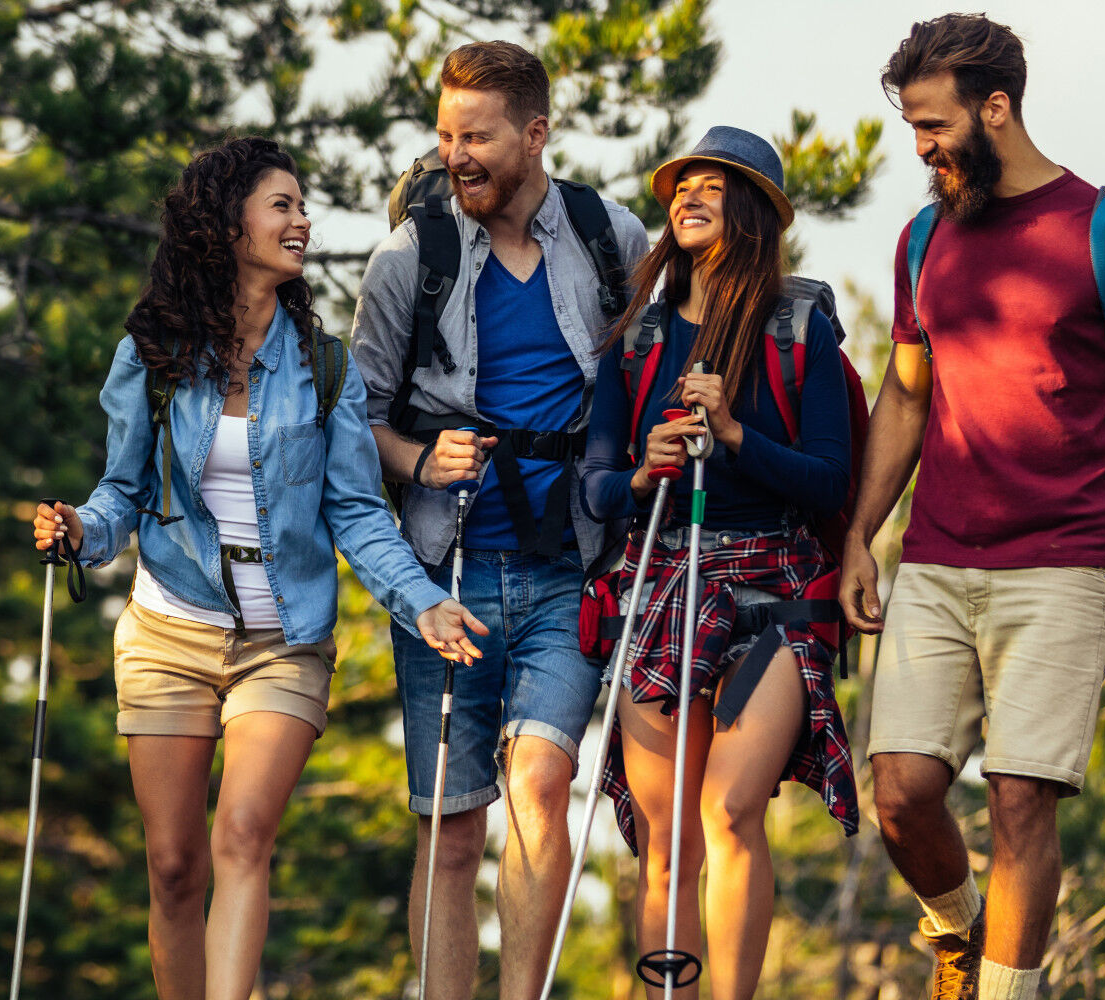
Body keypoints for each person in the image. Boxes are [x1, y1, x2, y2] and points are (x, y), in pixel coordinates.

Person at [30, 136, 485, 1000]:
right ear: (226, 223)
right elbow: (120, 495)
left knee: (243, 832)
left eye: (303, 206)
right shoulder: (152, 355)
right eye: (282, 205)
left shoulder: (324, 367)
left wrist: (420, 600)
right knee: (172, 867)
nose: (302, 221)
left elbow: (354, 509)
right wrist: (75, 532)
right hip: (169, 631)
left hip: (284, 643)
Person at [842, 15, 1105, 1000]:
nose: (919, 147)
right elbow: (904, 393)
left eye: (932, 125)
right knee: (899, 792)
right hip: (934, 558)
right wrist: (857, 534)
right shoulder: (923, 236)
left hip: (1061, 563)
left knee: (1020, 800)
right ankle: (958, 932)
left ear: (996, 108)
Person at [349, 40, 649, 1000]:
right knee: (449, 826)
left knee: (539, 791)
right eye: (444, 136)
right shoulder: (411, 257)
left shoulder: (612, 238)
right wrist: (415, 456)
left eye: (474, 136)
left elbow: (657, 364)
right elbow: (358, 420)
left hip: (572, 569)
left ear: (535, 133)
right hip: (445, 571)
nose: (454, 156)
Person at [578, 126, 860, 1000]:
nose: (688, 196)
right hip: (659, 573)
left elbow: (829, 475)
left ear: (754, 211)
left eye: (713, 184)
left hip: (774, 585)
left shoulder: (799, 327)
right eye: (681, 185)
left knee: (730, 811)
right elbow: (591, 487)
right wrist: (641, 468)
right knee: (666, 840)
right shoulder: (637, 337)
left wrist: (736, 437)